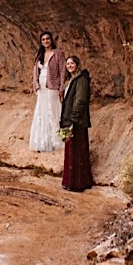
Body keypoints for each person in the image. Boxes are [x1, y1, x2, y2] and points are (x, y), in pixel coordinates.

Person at [59, 54, 93, 191]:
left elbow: (81, 100)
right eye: (67, 64)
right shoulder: (73, 79)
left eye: (72, 63)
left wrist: (73, 119)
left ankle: (78, 183)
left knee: (77, 152)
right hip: (71, 120)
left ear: (77, 64)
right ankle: (71, 182)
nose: (69, 66)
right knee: (72, 152)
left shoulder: (81, 80)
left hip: (77, 122)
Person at [29, 31, 66, 152]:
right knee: (41, 111)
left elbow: (62, 71)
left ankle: (55, 141)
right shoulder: (40, 54)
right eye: (43, 39)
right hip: (41, 87)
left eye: (47, 39)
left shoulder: (58, 53)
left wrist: (61, 87)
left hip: (52, 86)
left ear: (51, 40)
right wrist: (35, 85)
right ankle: (42, 142)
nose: (46, 41)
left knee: (53, 110)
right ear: (41, 42)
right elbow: (35, 71)